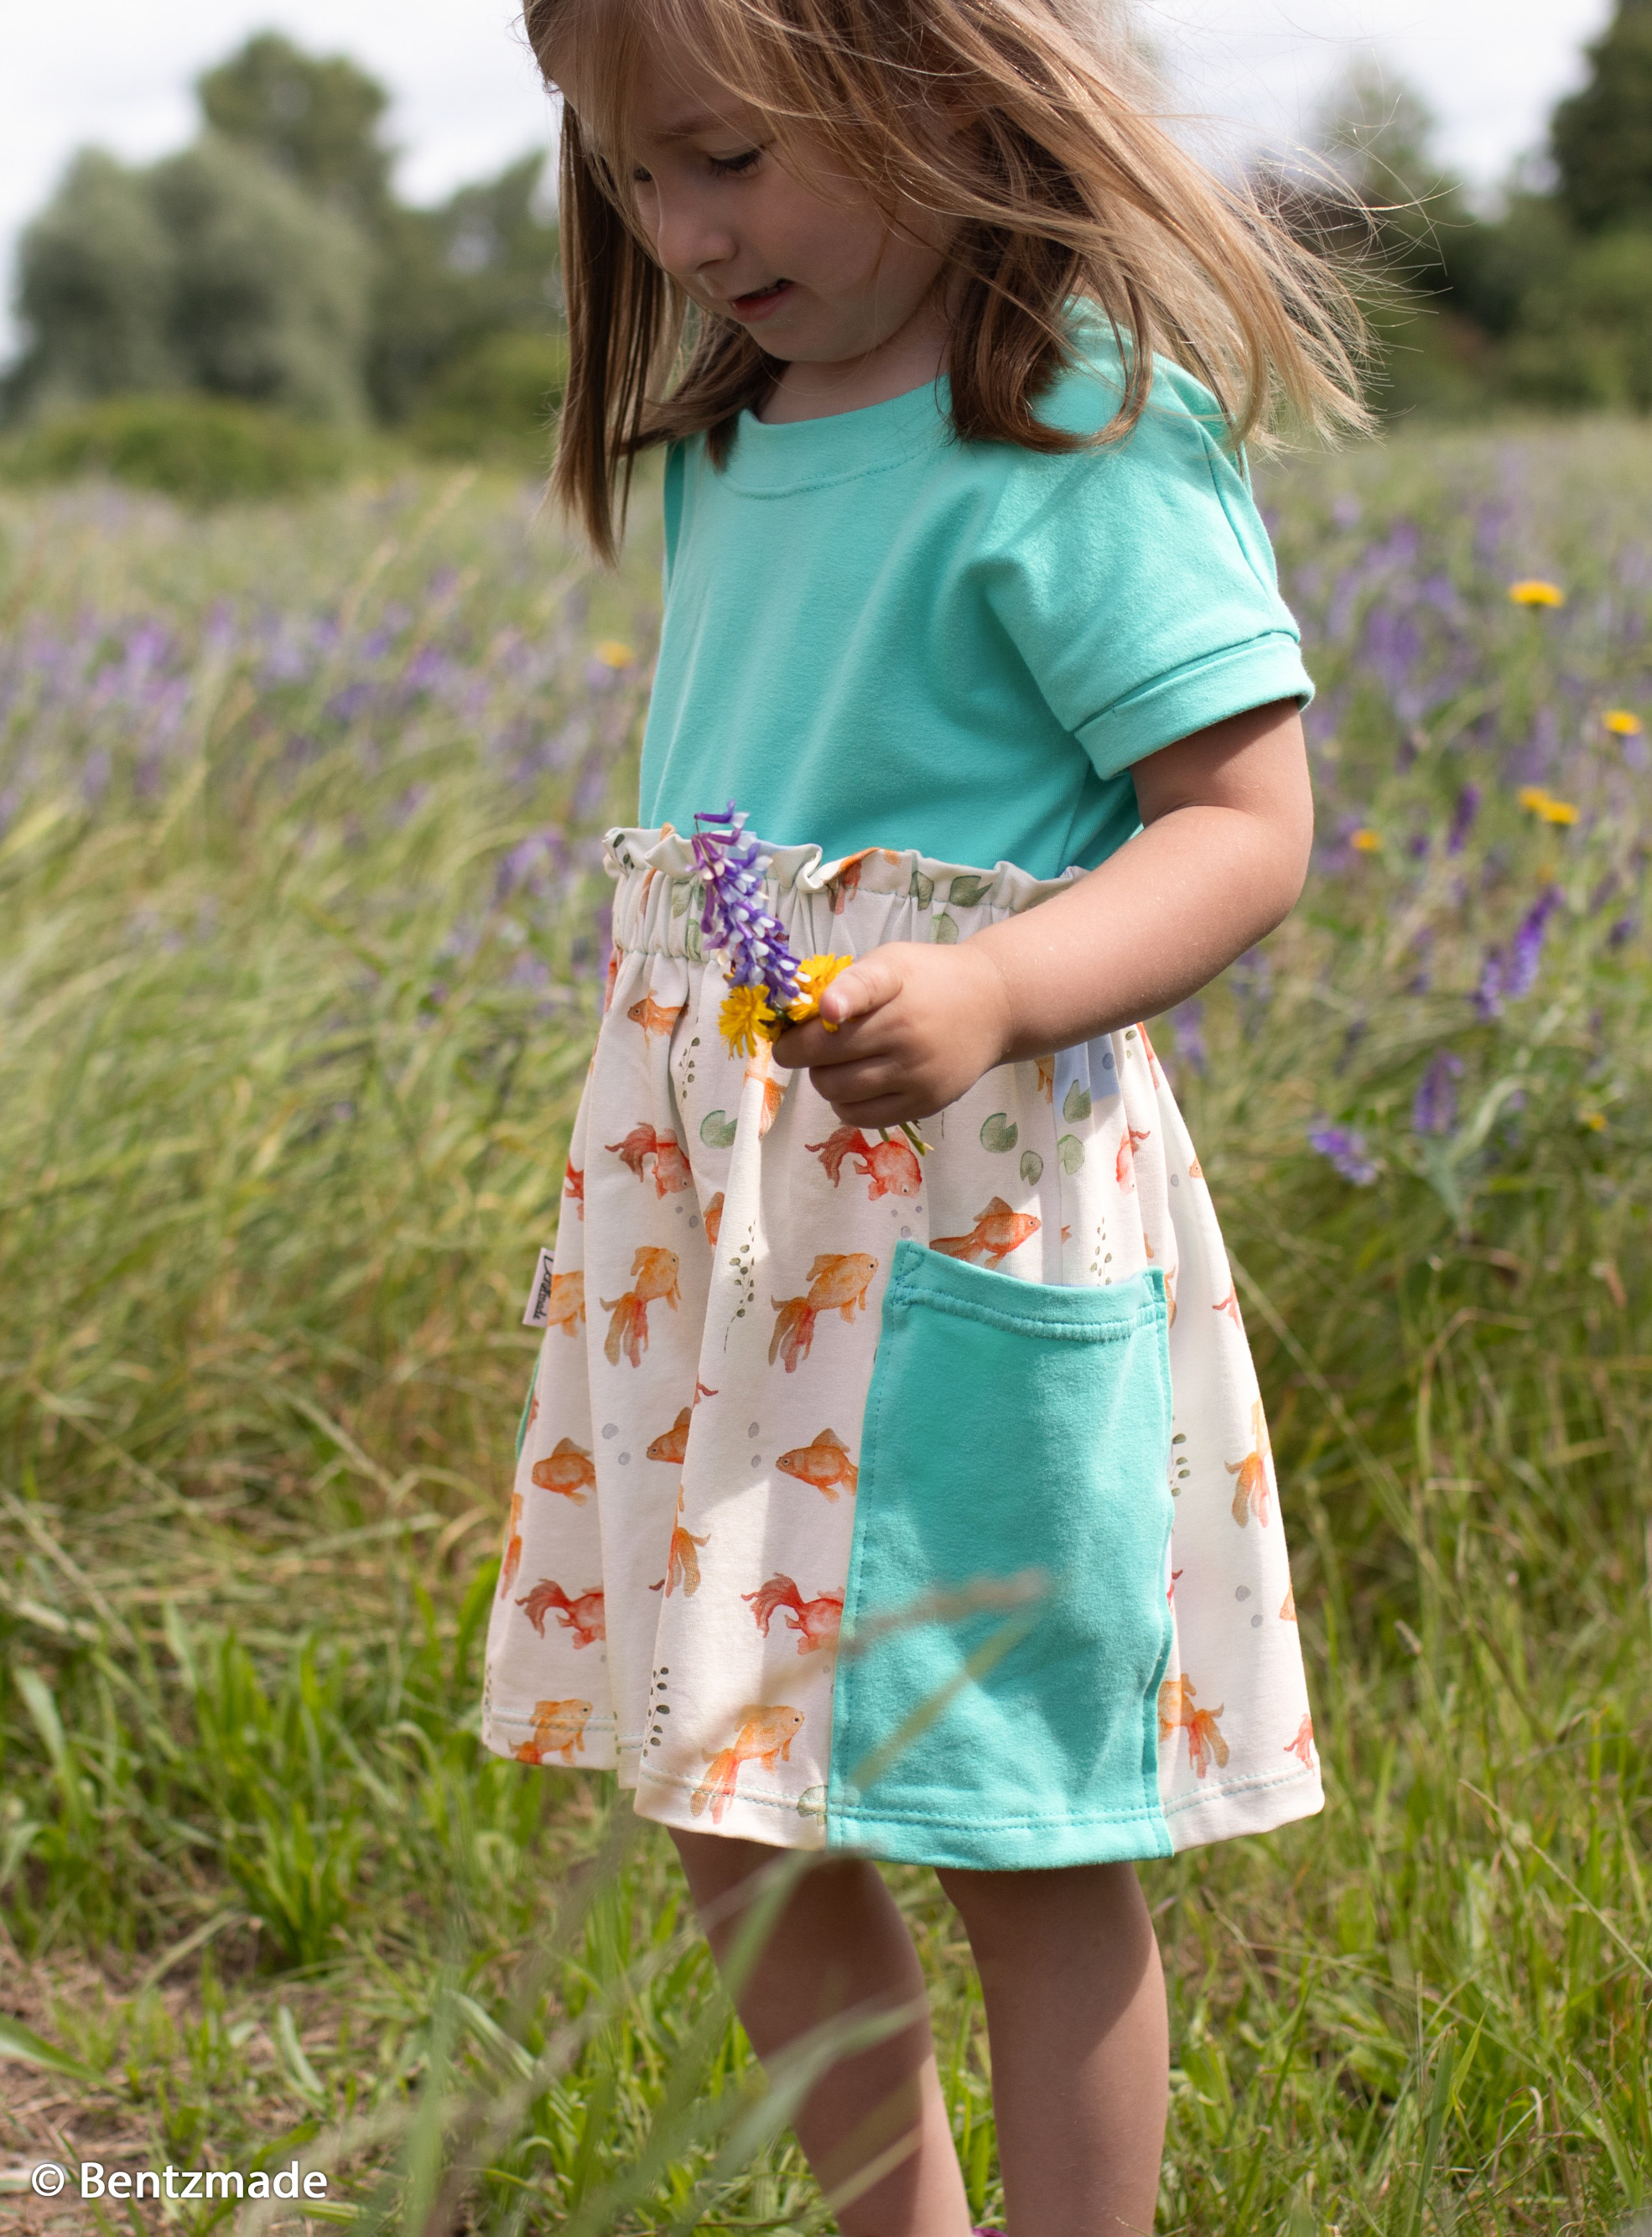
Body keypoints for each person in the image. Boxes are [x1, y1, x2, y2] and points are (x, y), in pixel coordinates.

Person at [482, 2, 1363, 2230]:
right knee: (717, 1787)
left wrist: (995, 981)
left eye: (727, 159)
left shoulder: (1075, 426)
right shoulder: (724, 448)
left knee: (1015, 1810)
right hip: (723, 1227)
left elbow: (1241, 824)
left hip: (966, 1228)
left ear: (933, 91)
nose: (681, 228)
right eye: (633, 173)